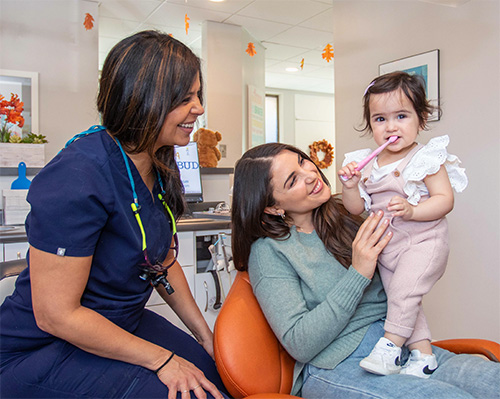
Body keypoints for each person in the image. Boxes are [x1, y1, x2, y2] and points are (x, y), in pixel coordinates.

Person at [0, 31, 227, 399]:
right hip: (39, 351)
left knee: (215, 373)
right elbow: (56, 316)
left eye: (198, 95)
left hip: (118, 322)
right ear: (144, 100)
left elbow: (163, 260)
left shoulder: (158, 161)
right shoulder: (78, 173)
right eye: (185, 98)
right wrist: (162, 360)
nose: (199, 108)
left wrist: (207, 338)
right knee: (190, 393)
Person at [231, 142, 499, 398]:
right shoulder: (270, 252)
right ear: (273, 206)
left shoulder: (347, 213)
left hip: (402, 346)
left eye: (303, 162)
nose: (311, 174)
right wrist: (358, 273)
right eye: (293, 180)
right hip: (340, 364)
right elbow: (299, 344)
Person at [338, 71, 468, 378]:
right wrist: (351, 185)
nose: (391, 126)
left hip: (423, 243)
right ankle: (423, 356)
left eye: (401, 116)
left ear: (420, 120)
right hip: (387, 248)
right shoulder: (367, 163)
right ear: (370, 124)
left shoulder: (425, 159)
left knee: (404, 294)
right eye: (380, 119)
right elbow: (356, 208)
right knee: (403, 298)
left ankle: (390, 346)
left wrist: (412, 210)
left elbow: (444, 200)